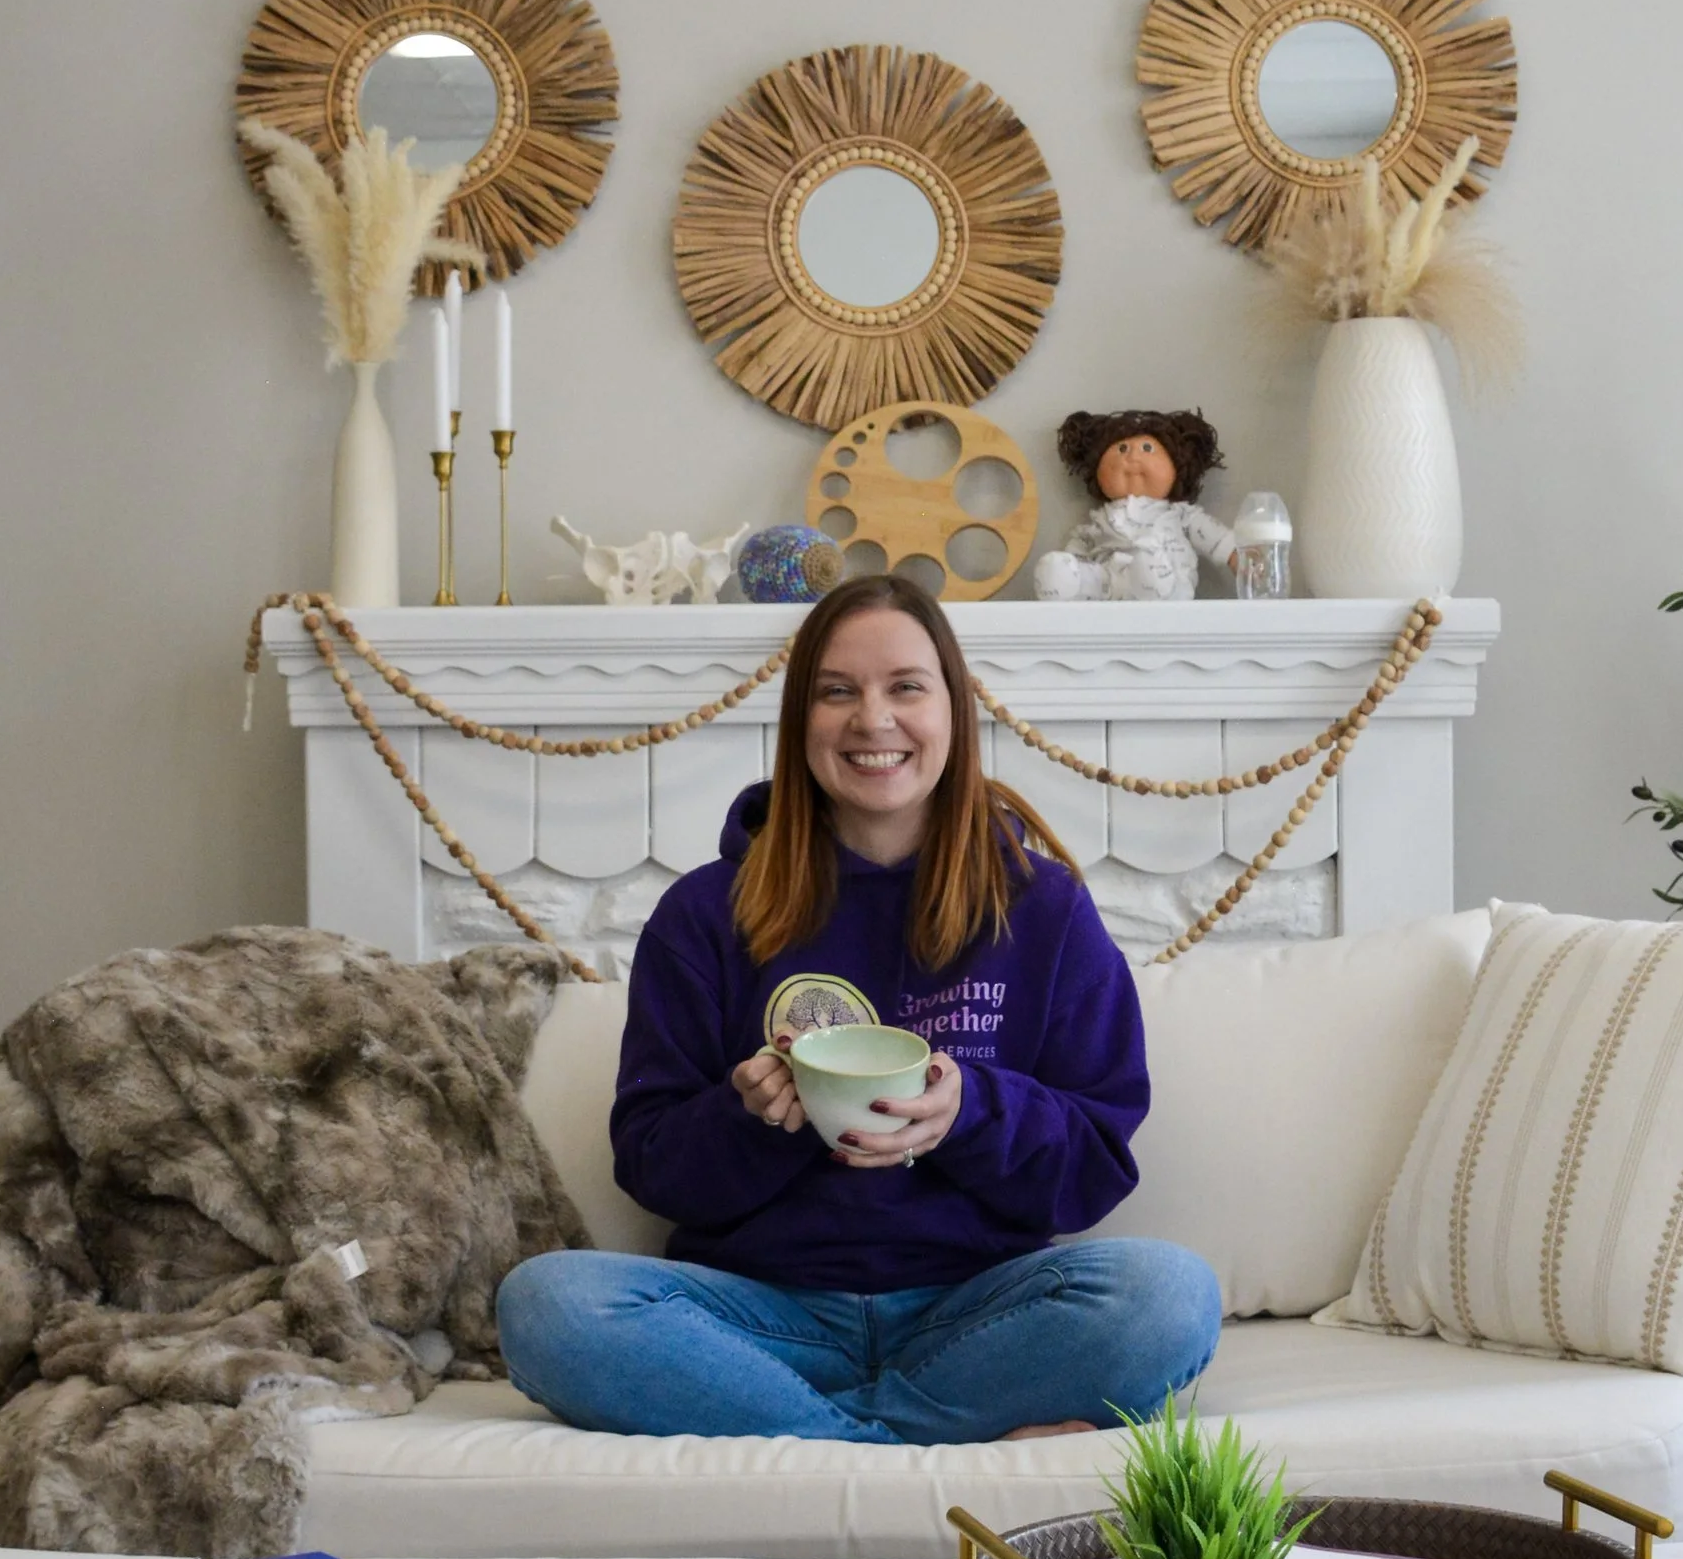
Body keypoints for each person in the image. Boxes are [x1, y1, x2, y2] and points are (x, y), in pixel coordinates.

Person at [497, 573, 1222, 1443]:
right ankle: (906, 1444)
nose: (872, 720)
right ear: (800, 722)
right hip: (762, 1323)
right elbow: (651, 1168)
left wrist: (971, 1110)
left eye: (905, 687)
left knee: (1169, 1297)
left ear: (953, 709)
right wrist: (752, 1116)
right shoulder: (704, 913)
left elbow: (1096, 1168)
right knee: (545, 1305)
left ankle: (821, 1443)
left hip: (978, 1313)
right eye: (837, 692)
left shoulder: (1043, 908)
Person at [1034, 406, 1238, 603]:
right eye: (1122, 449)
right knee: (1056, 571)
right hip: (1109, 584)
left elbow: (1215, 538)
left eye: (1147, 449)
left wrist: (1240, 559)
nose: (1132, 457)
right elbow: (1079, 549)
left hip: (1165, 577)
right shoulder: (1099, 520)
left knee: (1148, 565)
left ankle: (1151, 580)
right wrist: (1068, 570)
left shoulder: (1179, 514)